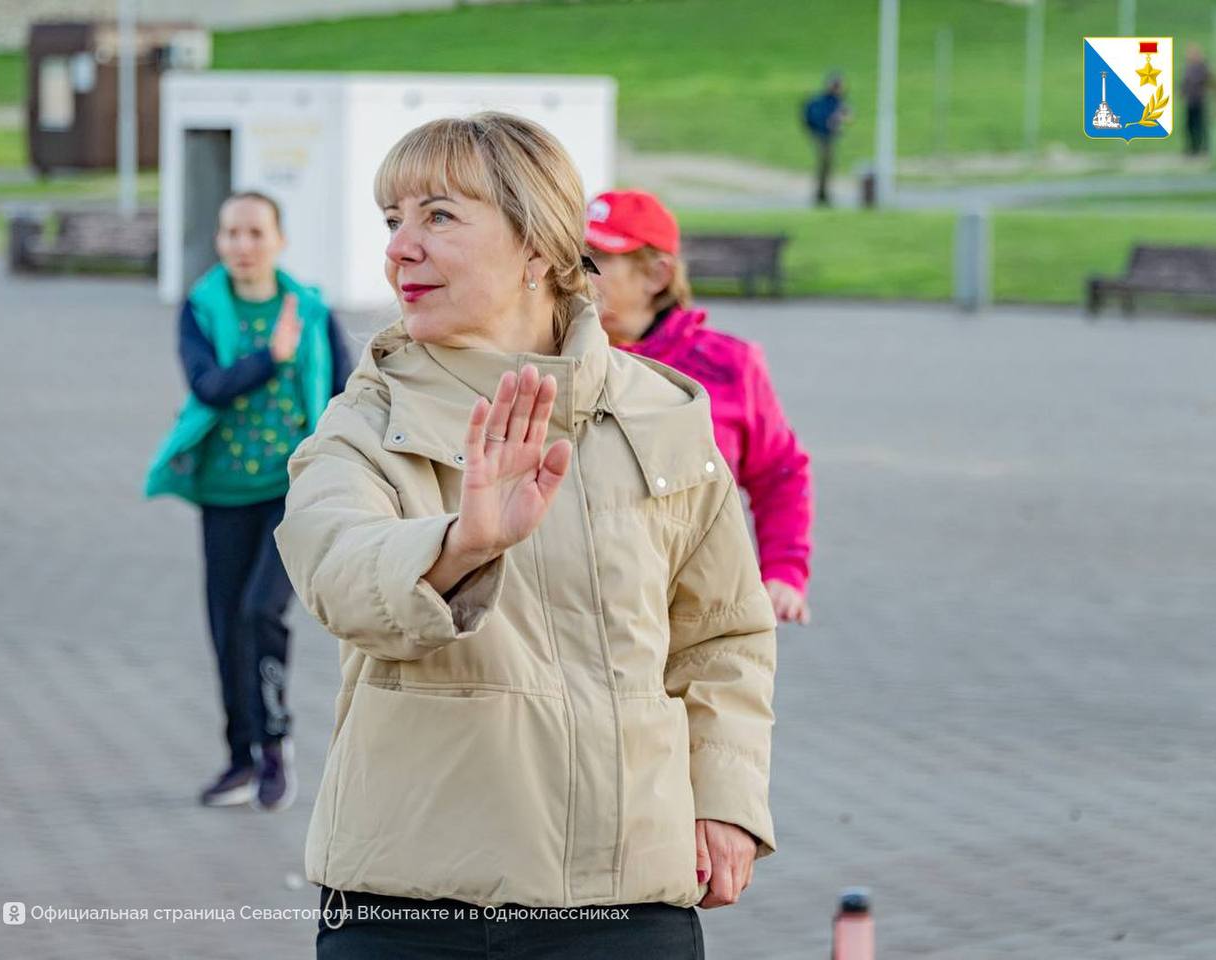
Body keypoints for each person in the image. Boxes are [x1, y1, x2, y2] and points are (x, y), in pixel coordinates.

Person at [274, 112, 778, 958]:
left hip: (631, 905)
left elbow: (723, 633)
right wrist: (460, 545)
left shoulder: (661, 411)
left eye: (438, 216)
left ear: (538, 248)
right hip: (413, 908)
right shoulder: (365, 422)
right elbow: (337, 571)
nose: (400, 247)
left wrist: (724, 796)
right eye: (392, 221)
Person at [145, 191, 354, 810]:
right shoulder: (203, 309)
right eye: (231, 232)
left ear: (279, 240)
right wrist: (271, 358)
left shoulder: (311, 311)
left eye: (255, 232)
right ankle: (238, 756)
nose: (242, 245)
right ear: (219, 240)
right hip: (223, 493)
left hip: (291, 493)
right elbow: (207, 386)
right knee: (224, 625)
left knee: (261, 612)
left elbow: (345, 397)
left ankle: (274, 742)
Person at [584, 189, 813, 625]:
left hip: (700, 615)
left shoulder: (730, 365)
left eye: (597, 259)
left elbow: (780, 472)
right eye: (574, 256)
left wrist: (785, 570)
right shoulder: (554, 361)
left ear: (657, 275)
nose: (577, 274)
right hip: (588, 618)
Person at [802, 71, 851, 206]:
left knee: (827, 165)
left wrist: (840, 120)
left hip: (829, 136)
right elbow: (814, 117)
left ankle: (823, 193)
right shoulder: (822, 101)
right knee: (825, 164)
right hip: (821, 135)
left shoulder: (838, 101)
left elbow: (847, 116)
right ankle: (821, 194)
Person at [1183, 43, 1214, 157]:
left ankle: (1204, 148)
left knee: (1200, 125)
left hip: (1199, 100)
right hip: (1190, 100)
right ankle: (1192, 148)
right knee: (1189, 126)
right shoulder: (1188, 67)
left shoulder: (1202, 67)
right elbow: (1185, 82)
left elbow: (1208, 80)